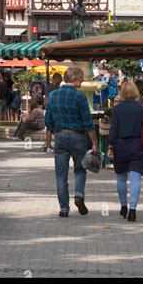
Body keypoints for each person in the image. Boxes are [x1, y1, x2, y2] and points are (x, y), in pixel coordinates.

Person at [45, 66, 99, 217]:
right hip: (78, 137)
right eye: (81, 78)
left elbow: (48, 120)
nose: (82, 80)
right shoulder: (80, 97)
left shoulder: (53, 96)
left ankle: (64, 209)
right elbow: (88, 122)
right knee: (80, 169)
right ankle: (79, 195)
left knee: (61, 175)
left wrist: (57, 129)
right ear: (75, 79)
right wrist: (94, 142)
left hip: (61, 137)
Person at [107, 81, 143, 222]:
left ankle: (123, 206)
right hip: (137, 145)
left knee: (121, 178)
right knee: (135, 178)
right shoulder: (142, 109)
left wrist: (110, 146)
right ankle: (133, 209)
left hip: (120, 145)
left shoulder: (117, 109)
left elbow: (113, 129)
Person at [44, 73, 62, 153]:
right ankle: (48, 145)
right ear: (56, 79)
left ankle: (50, 145)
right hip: (51, 110)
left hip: (55, 110)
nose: (61, 81)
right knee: (49, 128)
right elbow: (46, 100)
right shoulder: (50, 87)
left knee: (53, 128)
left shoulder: (56, 87)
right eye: (60, 79)